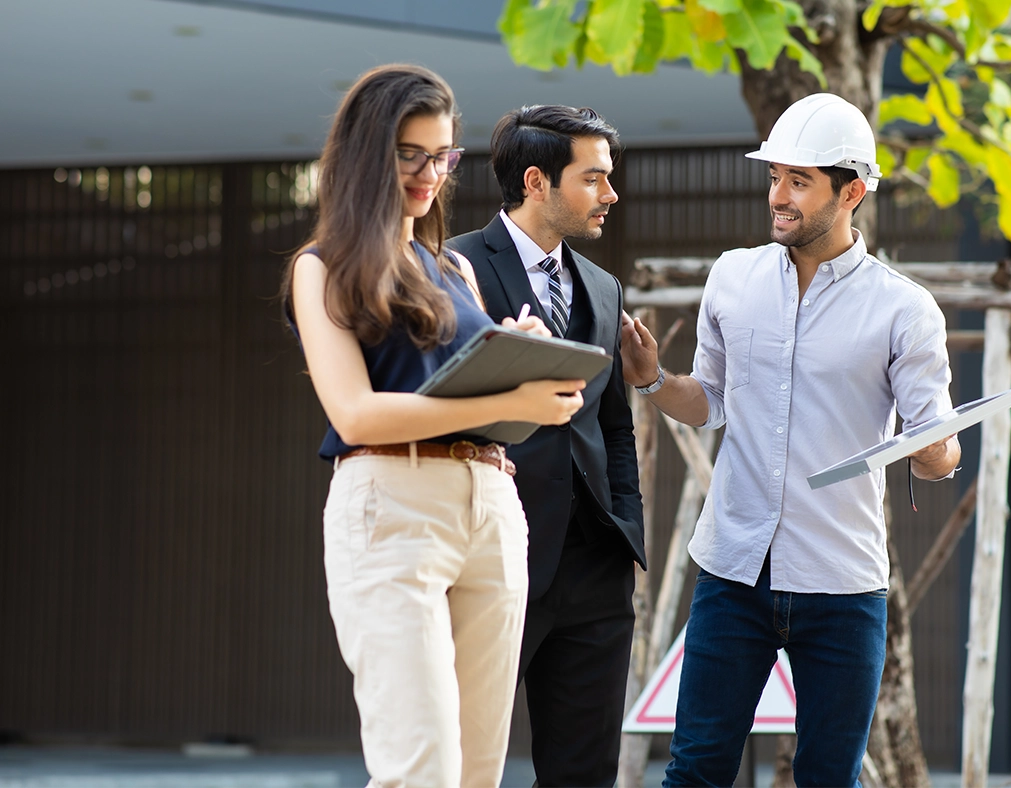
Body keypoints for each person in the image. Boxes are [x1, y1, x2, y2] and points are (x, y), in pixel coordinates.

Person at [620, 93, 963, 787]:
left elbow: (939, 448)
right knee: (694, 772)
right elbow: (708, 404)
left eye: (799, 182)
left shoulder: (904, 309)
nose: (778, 196)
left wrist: (933, 454)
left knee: (828, 779)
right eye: (774, 176)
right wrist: (654, 379)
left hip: (841, 582)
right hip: (732, 570)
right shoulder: (733, 277)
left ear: (852, 192)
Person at [282, 65, 586, 788]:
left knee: (478, 773)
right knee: (421, 768)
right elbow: (354, 412)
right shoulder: (321, 268)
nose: (429, 174)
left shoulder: (454, 268)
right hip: (392, 502)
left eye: (442, 156)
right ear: (364, 155)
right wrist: (497, 402)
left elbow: (460, 385)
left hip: (490, 505)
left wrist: (515, 362)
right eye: (408, 154)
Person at [448, 105, 645, 787]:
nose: (611, 195)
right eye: (594, 179)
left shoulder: (603, 287)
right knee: (460, 759)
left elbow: (613, 425)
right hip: (489, 547)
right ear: (537, 181)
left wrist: (627, 528)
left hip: (595, 562)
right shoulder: (453, 267)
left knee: (586, 771)